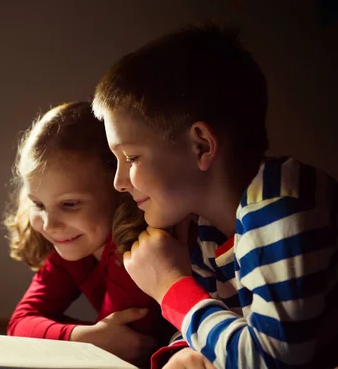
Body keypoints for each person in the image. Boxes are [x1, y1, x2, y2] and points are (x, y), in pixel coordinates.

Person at [92, 22, 338, 368]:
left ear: (201, 145)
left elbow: (272, 361)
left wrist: (170, 287)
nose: (118, 182)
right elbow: (216, 327)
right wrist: (183, 354)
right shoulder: (208, 228)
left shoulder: (280, 207)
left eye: (131, 158)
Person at [4, 101, 174, 366]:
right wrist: (84, 336)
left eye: (70, 204)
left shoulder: (133, 249)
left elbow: (117, 347)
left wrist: (84, 337)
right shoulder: (71, 246)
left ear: (120, 190)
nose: (50, 225)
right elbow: (19, 324)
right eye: (38, 204)